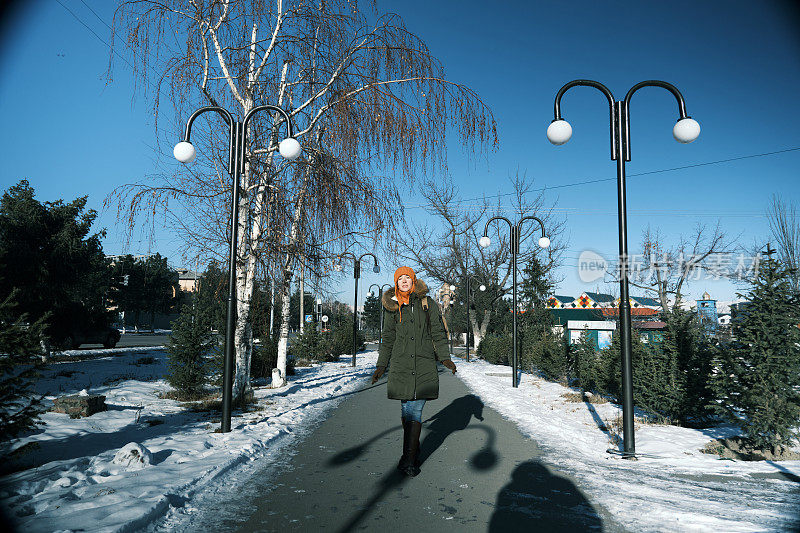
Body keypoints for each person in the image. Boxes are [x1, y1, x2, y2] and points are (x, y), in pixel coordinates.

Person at [371, 266, 457, 477]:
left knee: (415, 410)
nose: (403, 281)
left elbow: (438, 333)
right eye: (399, 279)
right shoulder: (391, 307)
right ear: (395, 282)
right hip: (401, 365)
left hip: (424, 364)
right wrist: (381, 365)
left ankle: (408, 460)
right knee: (406, 409)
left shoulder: (428, 304)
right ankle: (413, 449)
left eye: (407, 278)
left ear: (413, 280)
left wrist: (445, 358)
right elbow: (388, 338)